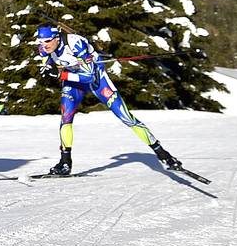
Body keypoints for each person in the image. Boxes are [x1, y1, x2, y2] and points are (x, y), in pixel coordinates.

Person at [36, 23, 181, 175]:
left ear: (57, 38)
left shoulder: (76, 43)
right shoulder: (44, 49)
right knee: (66, 118)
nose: (44, 45)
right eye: (40, 41)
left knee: (126, 117)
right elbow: (47, 64)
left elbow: (89, 76)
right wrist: (48, 69)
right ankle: (65, 163)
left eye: (47, 41)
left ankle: (164, 155)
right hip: (73, 82)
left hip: (97, 81)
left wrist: (61, 74)